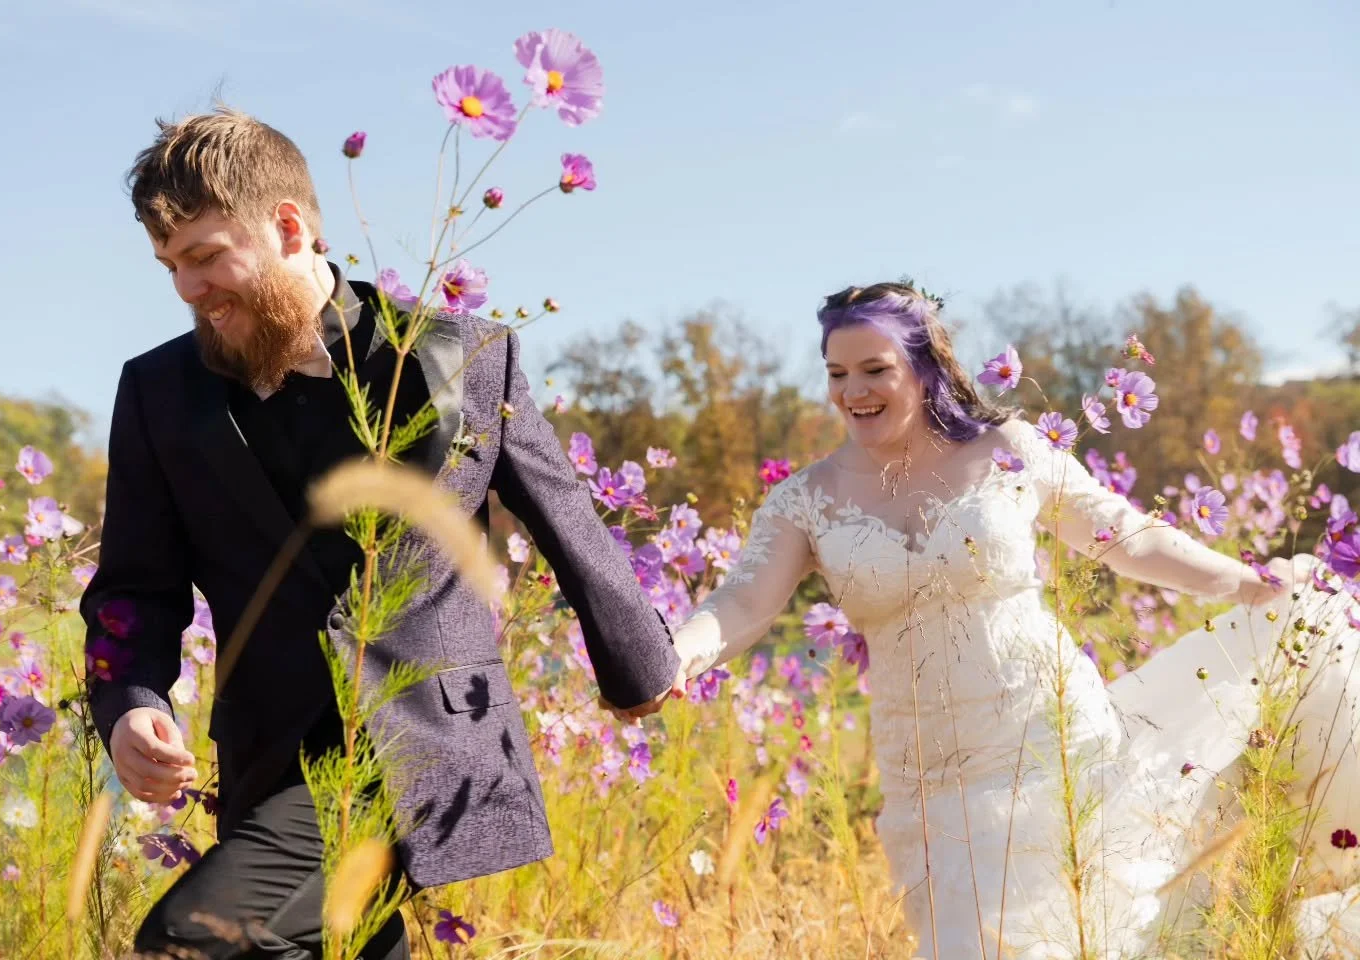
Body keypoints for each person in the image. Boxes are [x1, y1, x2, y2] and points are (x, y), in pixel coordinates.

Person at [80, 106, 683, 958]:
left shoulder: (454, 355)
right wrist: (130, 705)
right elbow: (134, 589)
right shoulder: (156, 392)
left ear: (291, 228)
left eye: (206, 256)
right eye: (170, 264)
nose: (187, 288)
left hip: (426, 751)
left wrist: (637, 662)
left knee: (188, 942)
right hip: (271, 758)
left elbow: (564, 516)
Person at [671, 282, 1360, 958]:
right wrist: (676, 655)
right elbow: (742, 603)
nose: (855, 391)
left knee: (1085, 934)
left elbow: (1128, 538)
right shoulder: (806, 499)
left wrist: (1249, 581)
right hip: (930, 774)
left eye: (875, 370)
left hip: (1052, 742)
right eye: (837, 373)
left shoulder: (1009, 448)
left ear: (925, 367)